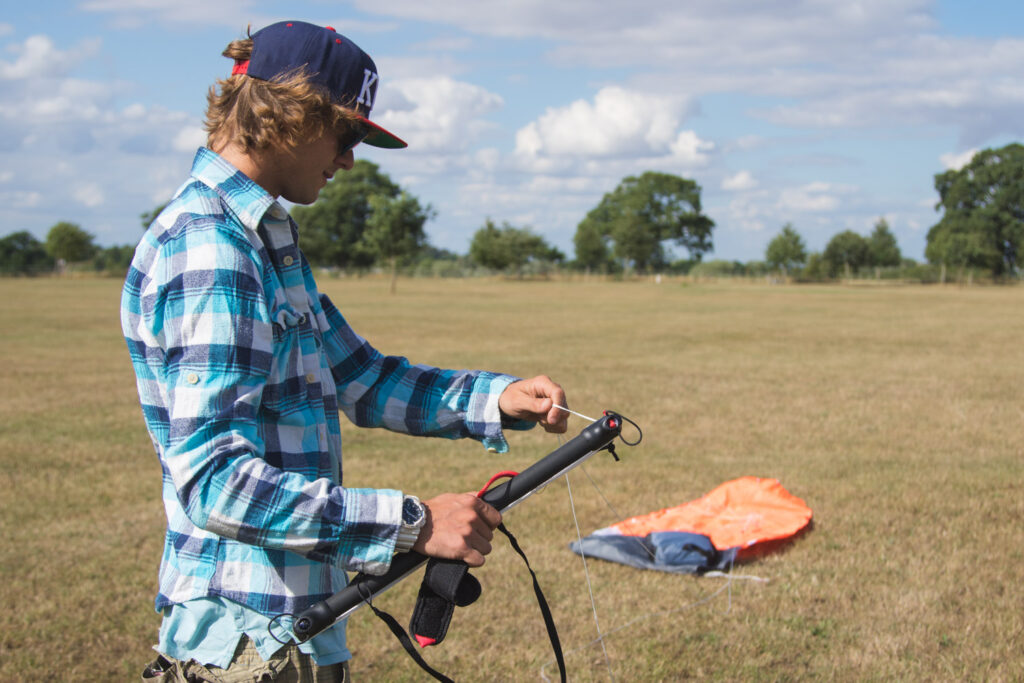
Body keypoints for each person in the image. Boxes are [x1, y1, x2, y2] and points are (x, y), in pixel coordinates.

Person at [122, 20, 569, 682]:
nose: (351, 159)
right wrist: (415, 522)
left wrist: (494, 397)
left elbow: (359, 376)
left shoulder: (265, 239)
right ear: (291, 115)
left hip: (295, 624)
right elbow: (216, 484)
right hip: (246, 637)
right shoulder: (212, 249)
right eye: (350, 133)